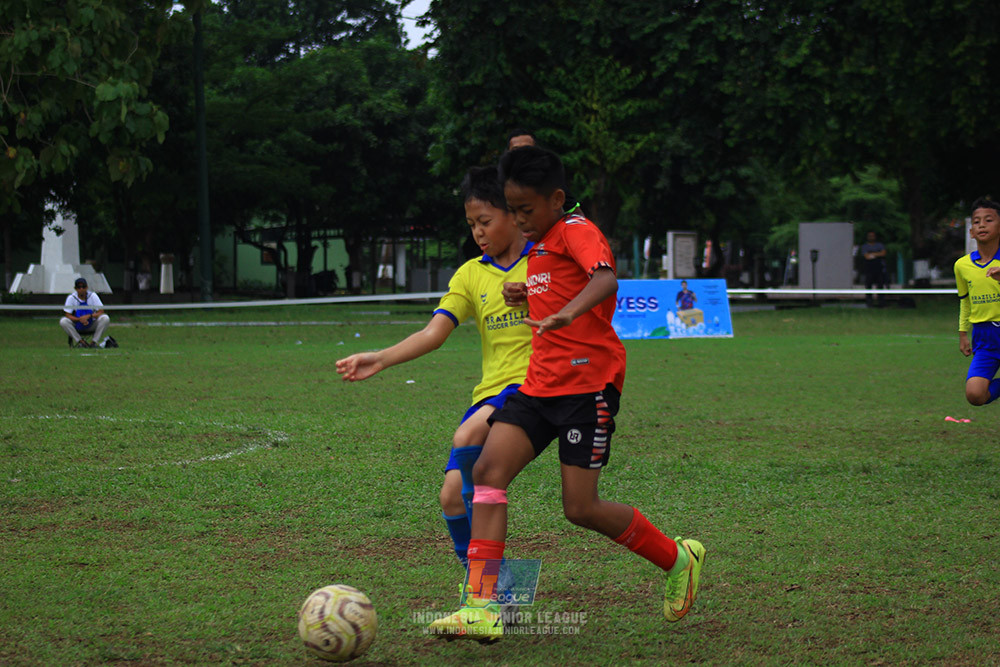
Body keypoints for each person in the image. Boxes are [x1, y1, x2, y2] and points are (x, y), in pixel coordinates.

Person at [429, 146, 705, 641]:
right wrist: (526, 294)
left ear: (556, 199)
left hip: (587, 388)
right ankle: (482, 604)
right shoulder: (536, 246)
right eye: (511, 211)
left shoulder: (577, 231)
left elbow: (604, 279)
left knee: (580, 509)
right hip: (539, 385)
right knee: (489, 472)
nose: (519, 220)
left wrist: (567, 313)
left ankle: (678, 556)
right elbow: (553, 285)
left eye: (525, 210)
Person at [335, 166, 532, 567]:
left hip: (532, 385)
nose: (477, 232)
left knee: (467, 436)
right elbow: (433, 333)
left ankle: (489, 588)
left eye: (485, 222)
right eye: (471, 224)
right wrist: (382, 357)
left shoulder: (545, 263)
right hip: (490, 394)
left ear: (514, 214)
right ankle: (488, 583)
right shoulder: (471, 274)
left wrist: (537, 293)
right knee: (450, 497)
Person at [955, 197, 1000, 406]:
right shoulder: (962, 266)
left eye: (989, 220)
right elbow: (965, 301)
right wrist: (963, 333)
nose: (982, 224)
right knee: (975, 395)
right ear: (971, 231)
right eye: (976, 221)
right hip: (984, 336)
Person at [60, 277, 115, 348]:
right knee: (63, 321)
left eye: (83, 287)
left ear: (87, 287)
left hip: (91, 323)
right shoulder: (71, 298)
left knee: (105, 318)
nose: (81, 289)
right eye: (79, 287)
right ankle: (81, 342)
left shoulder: (93, 296)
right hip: (77, 325)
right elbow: (68, 314)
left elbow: (101, 311)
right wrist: (79, 319)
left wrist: (89, 316)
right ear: (75, 288)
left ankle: (94, 342)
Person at [859, 231, 888, 307]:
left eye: (873, 236)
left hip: (879, 269)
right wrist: (877, 254)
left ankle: (881, 303)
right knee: (868, 285)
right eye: (870, 236)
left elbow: (883, 253)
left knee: (880, 285)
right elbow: (866, 256)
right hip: (869, 269)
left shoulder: (880, 245)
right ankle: (869, 302)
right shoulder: (864, 246)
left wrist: (872, 254)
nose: (871, 237)